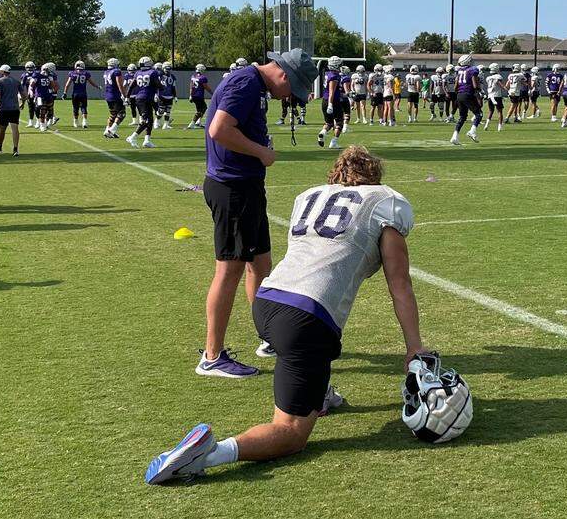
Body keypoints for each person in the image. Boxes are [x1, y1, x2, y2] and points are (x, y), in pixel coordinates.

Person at [145, 145, 427, 484]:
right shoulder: (384, 203)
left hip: (266, 302)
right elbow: (400, 285)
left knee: (309, 349)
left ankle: (318, 391)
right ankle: (210, 453)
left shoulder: (310, 197)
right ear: (374, 177)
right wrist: (414, 347)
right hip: (305, 320)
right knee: (291, 432)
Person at [199, 49, 318, 379]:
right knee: (229, 270)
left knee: (261, 264)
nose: (288, 98)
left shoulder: (254, 84)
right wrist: (261, 151)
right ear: (283, 75)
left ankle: (268, 336)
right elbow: (219, 129)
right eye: (291, 90)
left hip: (245, 187)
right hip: (233, 188)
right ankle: (212, 356)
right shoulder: (246, 82)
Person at [127, 57, 161, 148]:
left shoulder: (138, 73)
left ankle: (147, 140)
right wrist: (161, 87)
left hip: (140, 98)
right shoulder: (153, 72)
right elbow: (158, 85)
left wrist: (127, 97)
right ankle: (133, 137)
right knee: (146, 121)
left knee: (150, 120)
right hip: (145, 99)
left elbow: (131, 86)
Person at [449, 54, 482, 145]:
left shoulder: (459, 71)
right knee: (479, 114)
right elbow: (475, 84)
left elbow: (456, 85)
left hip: (459, 94)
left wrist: (459, 93)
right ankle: (472, 131)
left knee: (462, 117)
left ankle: (454, 137)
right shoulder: (472, 70)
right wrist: (479, 90)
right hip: (468, 94)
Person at [0, 65, 22, 156]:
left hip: (4, 109)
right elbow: (24, 95)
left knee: (2, 129)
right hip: (14, 108)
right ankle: (15, 149)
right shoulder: (16, 82)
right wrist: (23, 103)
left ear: (3, 72)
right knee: (15, 128)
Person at [317, 56, 345, 149]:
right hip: (332, 101)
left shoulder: (328, 74)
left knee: (329, 123)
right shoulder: (334, 76)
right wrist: (330, 104)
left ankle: (322, 133)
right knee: (339, 122)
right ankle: (334, 142)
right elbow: (332, 92)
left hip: (325, 100)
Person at [102, 58, 126, 138]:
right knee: (122, 114)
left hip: (108, 95)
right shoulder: (116, 71)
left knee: (113, 114)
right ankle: (111, 130)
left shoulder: (106, 72)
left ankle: (107, 130)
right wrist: (124, 94)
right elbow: (119, 84)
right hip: (115, 95)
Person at [65, 61, 91, 128]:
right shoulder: (86, 73)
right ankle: (84, 122)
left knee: (75, 108)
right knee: (84, 107)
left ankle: (75, 122)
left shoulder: (72, 73)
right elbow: (91, 82)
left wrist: (65, 93)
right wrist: (97, 86)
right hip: (83, 93)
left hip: (75, 94)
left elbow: (67, 84)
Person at [187, 64, 212, 129]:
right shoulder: (203, 77)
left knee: (199, 109)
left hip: (193, 95)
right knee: (203, 109)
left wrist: (190, 95)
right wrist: (212, 93)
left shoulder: (193, 76)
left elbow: (191, 87)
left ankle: (198, 122)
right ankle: (192, 123)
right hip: (199, 95)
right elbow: (206, 87)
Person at [20, 62, 38, 128]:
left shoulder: (35, 74)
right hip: (30, 93)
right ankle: (31, 122)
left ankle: (38, 122)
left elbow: (22, 86)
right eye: (28, 67)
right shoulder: (25, 75)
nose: (30, 69)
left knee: (37, 107)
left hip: (37, 93)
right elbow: (22, 85)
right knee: (31, 108)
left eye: (31, 67)